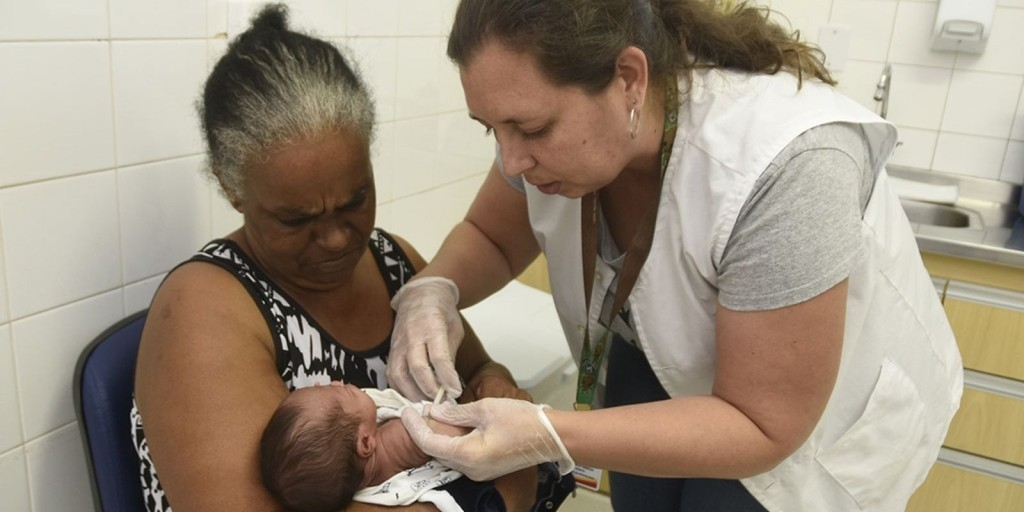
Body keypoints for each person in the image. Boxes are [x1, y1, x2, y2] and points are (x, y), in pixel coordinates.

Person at [388, 1, 965, 511]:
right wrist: (433, 289)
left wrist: (547, 433)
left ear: (628, 79)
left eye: (532, 129)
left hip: (805, 420)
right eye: (492, 130)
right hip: (666, 359)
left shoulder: (789, 165)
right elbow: (490, 236)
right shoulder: (547, 135)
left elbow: (762, 424)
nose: (511, 162)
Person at [130, 4, 541, 511]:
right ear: (232, 188)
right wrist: (502, 491)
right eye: (296, 220)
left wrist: (495, 386)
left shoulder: (394, 262)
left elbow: (478, 367)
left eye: (354, 201)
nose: (335, 239)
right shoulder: (201, 310)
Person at [260, 383, 493, 512]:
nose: (335, 382)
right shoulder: (399, 438)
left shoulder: (358, 480)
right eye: (340, 392)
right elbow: (460, 436)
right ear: (365, 443)